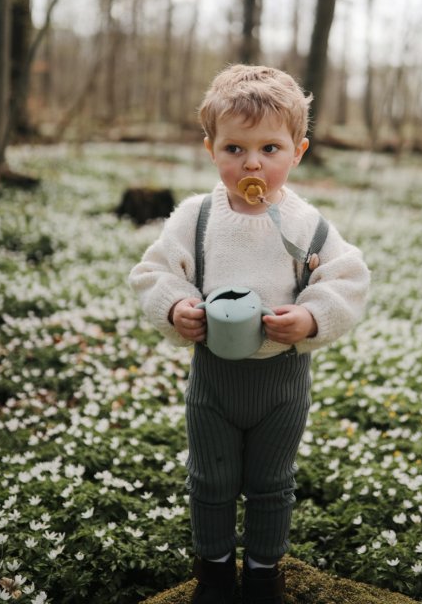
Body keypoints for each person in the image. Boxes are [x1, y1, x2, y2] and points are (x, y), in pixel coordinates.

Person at [129, 65, 370, 604]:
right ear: (211, 148)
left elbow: (349, 279)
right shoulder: (195, 217)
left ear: (298, 151)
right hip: (213, 381)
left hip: (282, 382)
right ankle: (213, 571)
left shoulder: (308, 225)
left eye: (270, 148)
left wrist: (309, 318)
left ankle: (264, 572)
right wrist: (175, 308)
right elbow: (153, 273)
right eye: (235, 149)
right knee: (209, 480)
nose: (252, 163)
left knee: (272, 483)